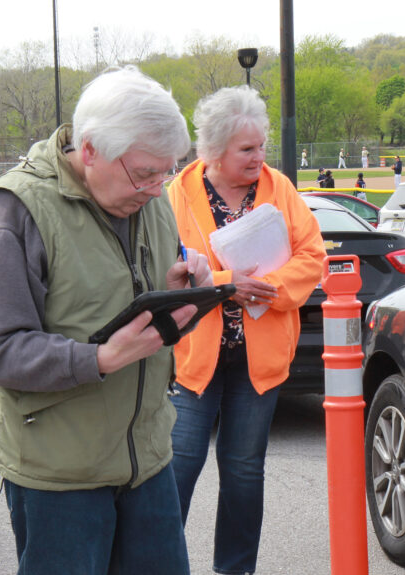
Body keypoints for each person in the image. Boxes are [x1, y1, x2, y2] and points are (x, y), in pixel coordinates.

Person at [0, 66, 210, 575]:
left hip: (147, 457)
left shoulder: (151, 199)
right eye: (145, 173)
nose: (157, 187)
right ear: (90, 149)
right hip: (59, 474)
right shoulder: (15, 211)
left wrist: (182, 294)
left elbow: (136, 304)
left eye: (167, 171)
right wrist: (98, 359)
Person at [166, 86, 326, 575]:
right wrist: (223, 285)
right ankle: (157, 563)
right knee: (178, 467)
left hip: (259, 360)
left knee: (242, 472)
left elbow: (313, 256)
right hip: (194, 357)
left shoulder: (280, 188)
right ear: (213, 151)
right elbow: (163, 267)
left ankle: (234, 570)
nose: (259, 157)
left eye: (261, 146)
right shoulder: (175, 194)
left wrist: (269, 286)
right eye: (247, 150)